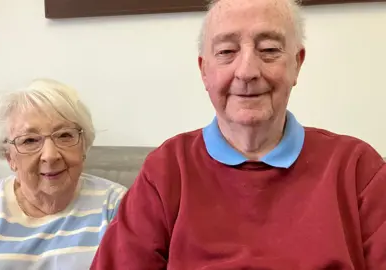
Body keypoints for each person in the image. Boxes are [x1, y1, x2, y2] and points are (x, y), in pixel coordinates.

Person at [91, 0, 386, 269]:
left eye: (269, 50)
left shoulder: (358, 169)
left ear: (297, 64)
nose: (247, 71)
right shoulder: (167, 169)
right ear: (204, 70)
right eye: (227, 52)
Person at [0, 79, 127, 269]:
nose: (50, 155)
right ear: (9, 157)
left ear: (84, 145)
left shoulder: (116, 206)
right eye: (29, 140)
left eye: (64, 135)